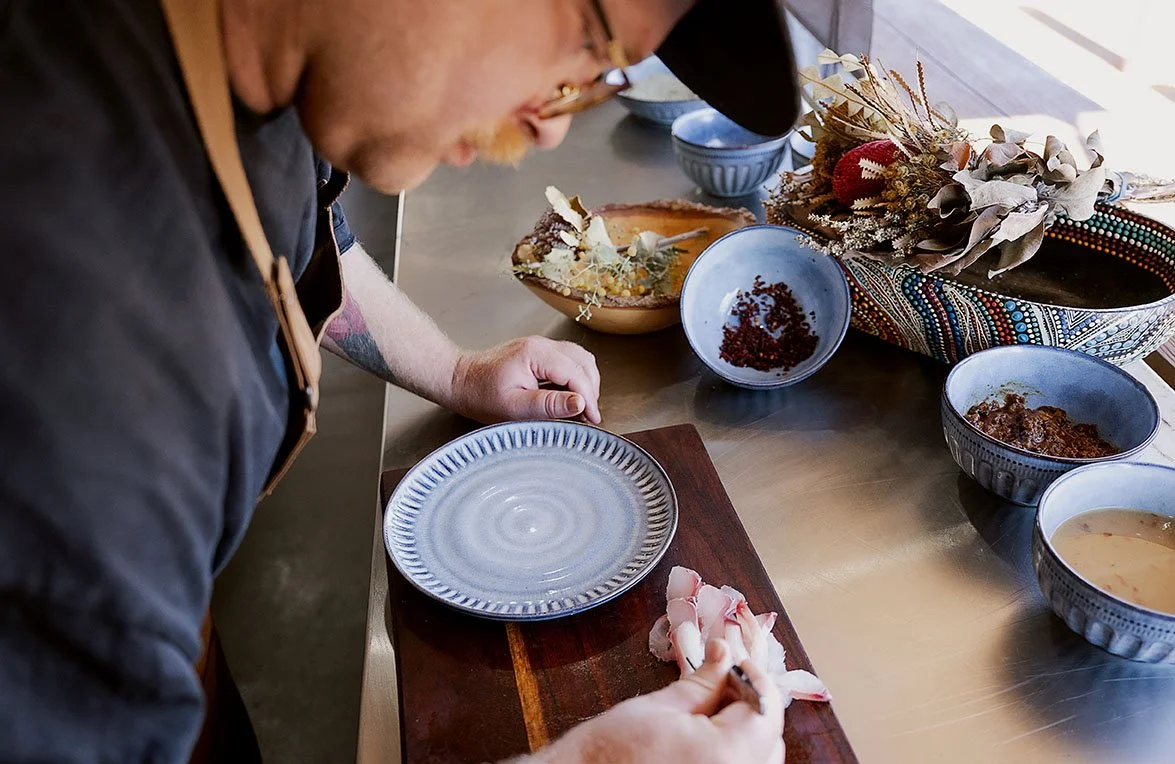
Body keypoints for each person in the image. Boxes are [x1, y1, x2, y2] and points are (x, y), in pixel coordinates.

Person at [0, 0, 799, 761]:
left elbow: (308, 237)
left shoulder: (239, 57)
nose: (552, 123)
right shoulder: (79, 347)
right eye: (584, 44)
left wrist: (456, 371)